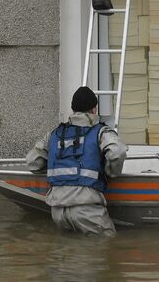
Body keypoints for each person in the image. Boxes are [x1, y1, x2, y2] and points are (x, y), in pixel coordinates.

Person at [26, 86, 128, 237]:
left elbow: (32, 162)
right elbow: (117, 152)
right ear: (94, 109)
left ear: (73, 109)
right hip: (87, 210)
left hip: (58, 212)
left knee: (68, 252)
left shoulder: (54, 134)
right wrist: (111, 172)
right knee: (106, 248)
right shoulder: (100, 131)